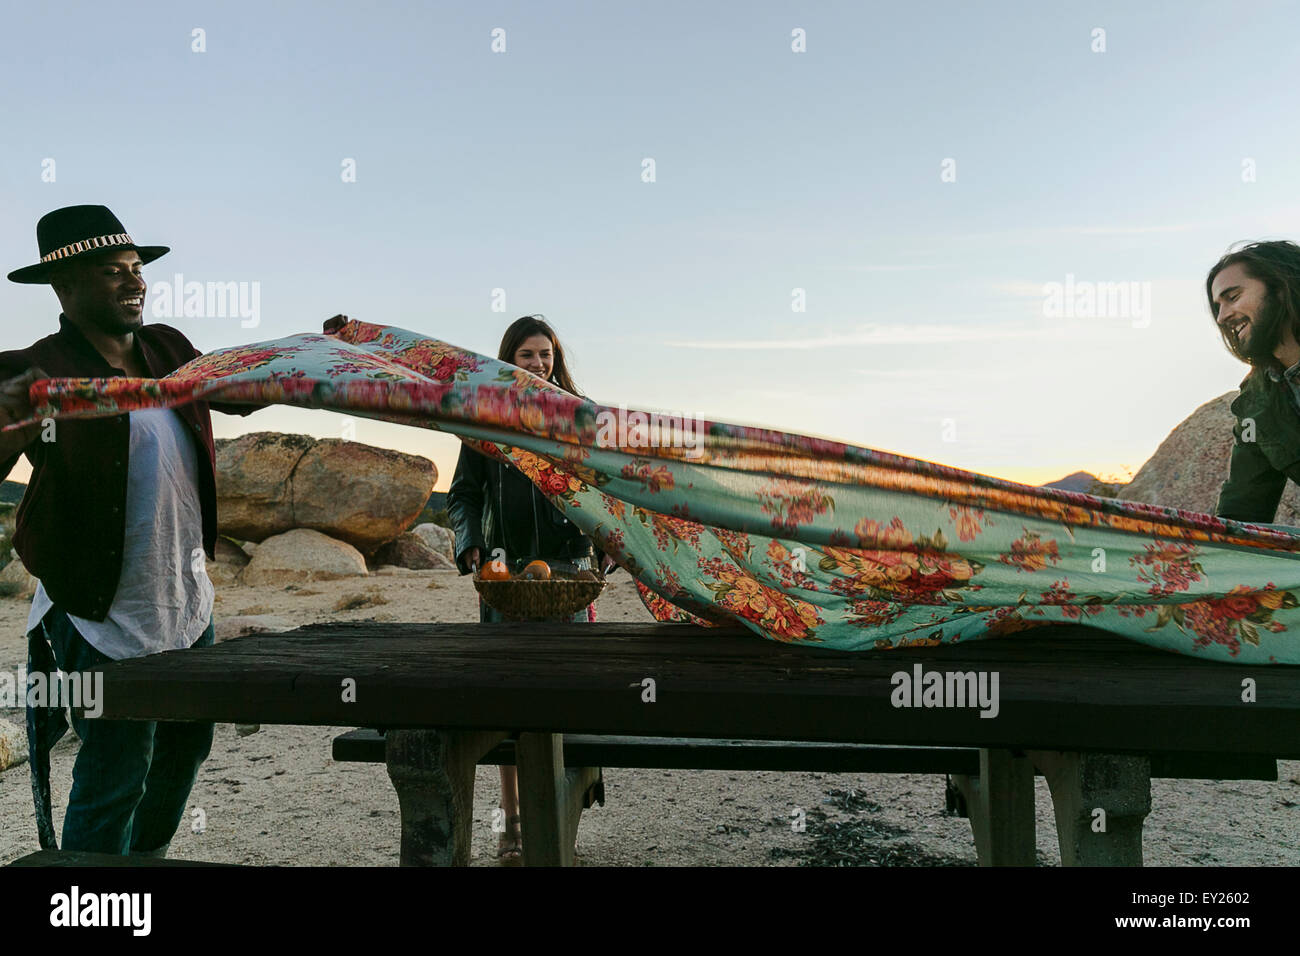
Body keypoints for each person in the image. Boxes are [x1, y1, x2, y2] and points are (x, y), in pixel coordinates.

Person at [0, 205, 261, 856]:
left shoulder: (167, 349)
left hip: (183, 601)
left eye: (136, 268)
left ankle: (138, 878)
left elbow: (238, 391)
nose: (133, 281)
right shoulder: (41, 369)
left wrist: (314, 357)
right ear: (65, 287)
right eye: (111, 271)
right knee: (118, 769)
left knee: (182, 753)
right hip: (96, 609)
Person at [446, 314, 616, 862]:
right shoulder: (486, 421)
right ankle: (513, 820)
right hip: (506, 576)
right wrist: (469, 543)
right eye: (527, 355)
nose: (538, 363)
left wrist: (612, 539)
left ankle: (561, 813)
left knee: (566, 695)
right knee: (506, 698)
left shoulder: (579, 419)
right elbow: (464, 495)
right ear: (508, 360)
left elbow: (605, 487)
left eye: (546, 354)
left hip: (571, 572)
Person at [1210, 240, 1300, 525]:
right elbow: (1244, 510)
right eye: (1218, 306)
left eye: (1233, 296)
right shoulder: (1256, 404)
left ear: (1280, 286)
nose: (1222, 317)